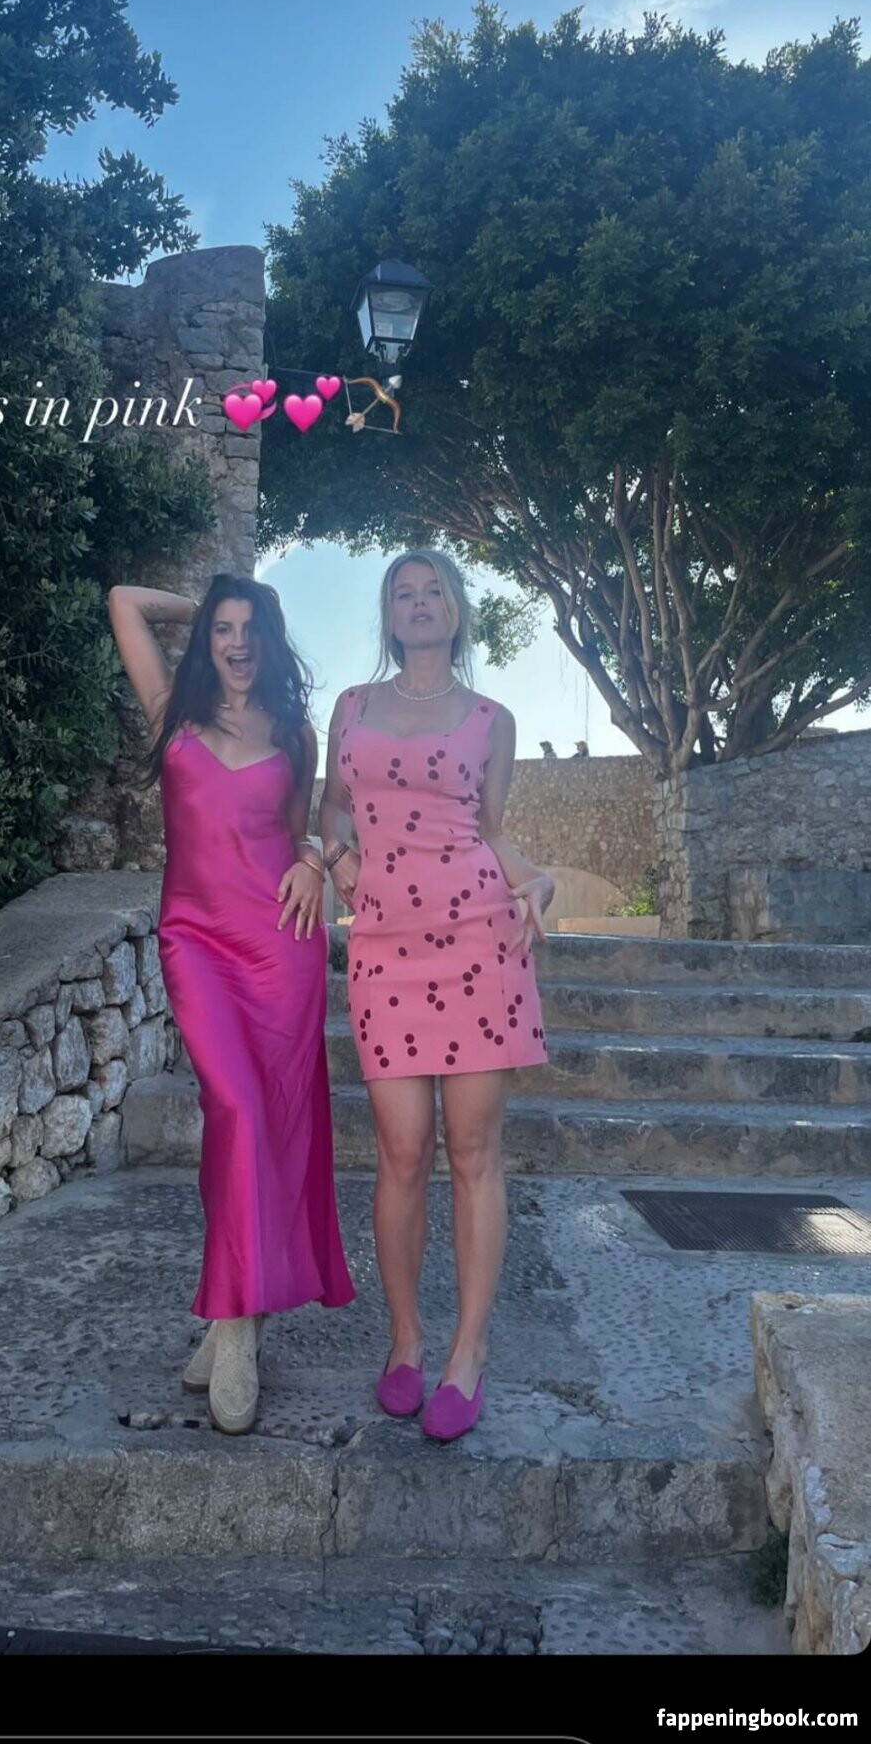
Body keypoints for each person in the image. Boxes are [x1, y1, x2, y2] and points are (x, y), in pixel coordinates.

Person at [108, 575, 354, 1434]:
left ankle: (230, 1322)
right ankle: (240, 1316)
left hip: (279, 942)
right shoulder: (171, 710)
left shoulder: (293, 731)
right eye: (224, 629)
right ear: (207, 638)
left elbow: (306, 830)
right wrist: (208, 603)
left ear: (270, 639)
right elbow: (122, 601)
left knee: (257, 1124)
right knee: (237, 1108)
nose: (238, 643)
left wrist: (314, 864)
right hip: (197, 943)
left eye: (252, 628)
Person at [320, 551, 554, 1443]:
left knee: (474, 1150)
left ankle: (466, 1352)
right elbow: (331, 808)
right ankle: (405, 1340)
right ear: (388, 615)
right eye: (402, 593)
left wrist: (537, 882)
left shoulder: (493, 719)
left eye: (433, 593)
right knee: (401, 1150)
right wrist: (337, 859)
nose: (418, 605)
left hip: (478, 944)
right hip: (384, 948)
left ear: (456, 613)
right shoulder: (350, 707)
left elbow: (492, 834)